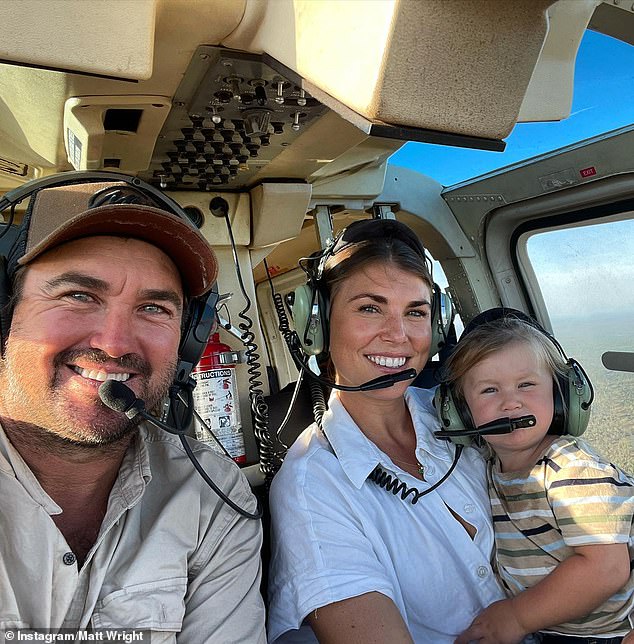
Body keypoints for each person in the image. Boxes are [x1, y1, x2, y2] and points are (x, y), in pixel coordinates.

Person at [0, 175, 266, 642]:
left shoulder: (211, 497)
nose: (115, 343)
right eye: (79, 296)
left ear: (188, 338)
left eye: (154, 308)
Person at [267, 218, 506, 643]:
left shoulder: (461, 413)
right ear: (317, 325)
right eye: (369, 308)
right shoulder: (312, 486)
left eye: (415, 312)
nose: (399, 336)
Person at [438, 309, 633, 644]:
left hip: (608, 635)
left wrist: (516, 617)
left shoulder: (572, 469)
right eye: (489, 391)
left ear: (560, 397)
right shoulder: (487, 467)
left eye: (526, 385)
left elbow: (607, 568)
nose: (511, 403)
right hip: (558, 630)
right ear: (460, 413)